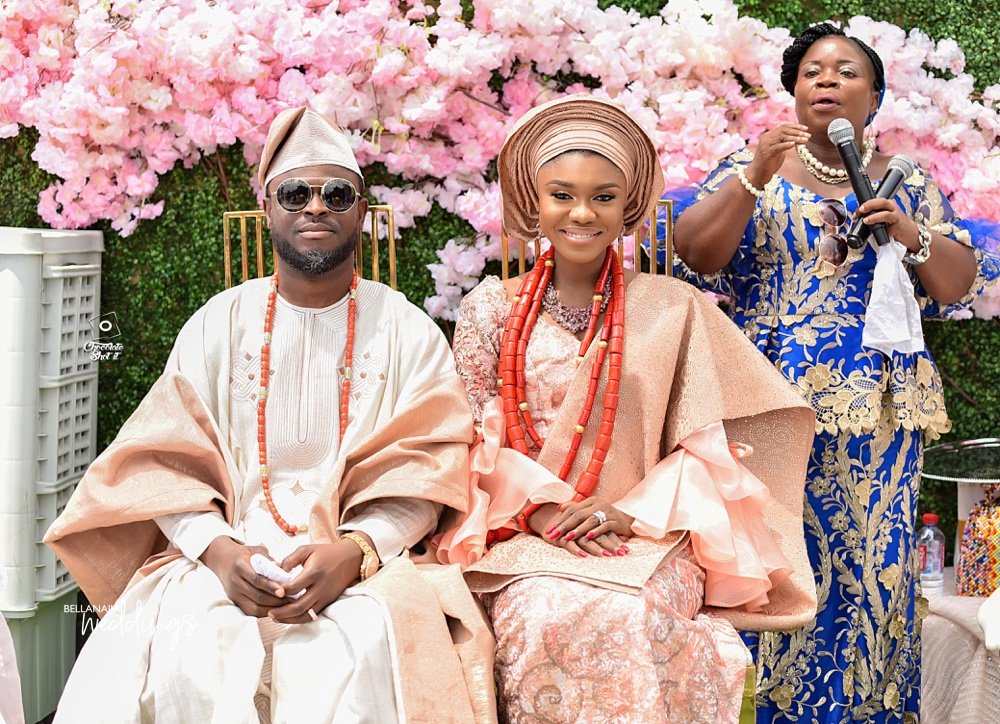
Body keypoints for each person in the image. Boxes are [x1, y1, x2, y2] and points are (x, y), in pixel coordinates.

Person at [44, 107, 495, 723]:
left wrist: (358, 552)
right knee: (188, 647)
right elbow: (163, 466)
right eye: (296, 193)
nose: (316, 207)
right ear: (269, 210)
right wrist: (219, 553)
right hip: (224, 551)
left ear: (361, 211)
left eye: (336, 193)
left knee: (356, 649)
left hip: (365, 562)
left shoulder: (409, 331)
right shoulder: (216, 323)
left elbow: (429, 472)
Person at [434, 94, 819, 723]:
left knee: (634, 612)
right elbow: (472, 439)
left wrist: (627, 510)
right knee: (540, 611)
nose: (582, 213)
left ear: (628, 208)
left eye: (603, 197)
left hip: (648, 534)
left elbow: (707, 448)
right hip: (522, 535)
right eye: (562, 194)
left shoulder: (673, 307)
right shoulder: (489, 309)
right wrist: (541, 511)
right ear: (534, 205)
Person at [663, 22, 1000, 723]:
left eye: (846, 71)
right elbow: (694, 252)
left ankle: (875, 710)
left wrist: (912, 234)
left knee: (875, 562)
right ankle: (776, 710)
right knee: (781, 559)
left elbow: (957, 283)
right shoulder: (747, 165)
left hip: (881, 406)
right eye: (812, 70)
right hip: (773, 399)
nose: (827, 80)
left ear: (873, 97)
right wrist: (753, 177)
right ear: (791, 91)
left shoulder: (905, 180)